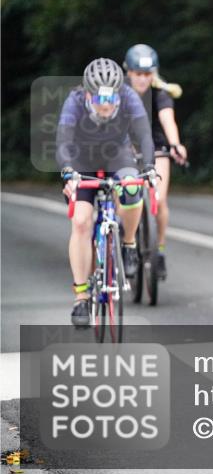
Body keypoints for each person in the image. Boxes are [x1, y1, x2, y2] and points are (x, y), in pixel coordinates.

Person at [58, 58, 156, 327]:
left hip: (118, 156)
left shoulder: (128, 96)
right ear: (88, 92)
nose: (105, 103)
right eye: (100, 96)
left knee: (134, 186)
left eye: (111, 97)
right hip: (82, 161)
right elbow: (64, 141)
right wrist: (67, 171)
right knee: (80, 222)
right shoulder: (74, 100)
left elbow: (144, 136)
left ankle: (128, 244)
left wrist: (148, 167)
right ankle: (81, 297)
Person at [123, 44, 187, 280]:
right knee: (122, 190)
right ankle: (126, 231)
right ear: (128, 72)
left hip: (157, 146)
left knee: (159, 200)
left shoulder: (160, 93)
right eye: (138, 74)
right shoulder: (119, 93)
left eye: (147, 74)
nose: (143, 79)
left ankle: (159, 250)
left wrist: (176, 144)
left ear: (154, 73)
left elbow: (168, 119)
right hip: (126, 146)